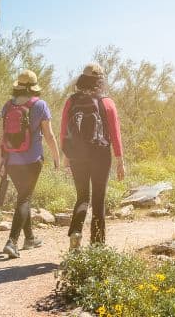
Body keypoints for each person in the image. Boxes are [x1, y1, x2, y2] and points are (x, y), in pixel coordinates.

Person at [0, 69, 60, 259]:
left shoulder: (7, 106)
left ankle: (30, 238)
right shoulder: (40, 105)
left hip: (11, 161)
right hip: (32, 160)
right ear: (34, 87)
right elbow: (49, 135)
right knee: (24, 199)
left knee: (24, 197)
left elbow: (1, 138)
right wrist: (57, 157)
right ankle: (12, 242)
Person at [60, 63, 125, 249]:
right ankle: (97, 247)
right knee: (98, 200)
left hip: (77, 156)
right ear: (100, 81)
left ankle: (75, 232)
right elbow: (115, 134)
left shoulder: (71, 101)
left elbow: (64, 130)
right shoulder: (107, 102)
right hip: (101, 155)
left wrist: (67, 155)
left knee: (82, 197)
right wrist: (120, 160)